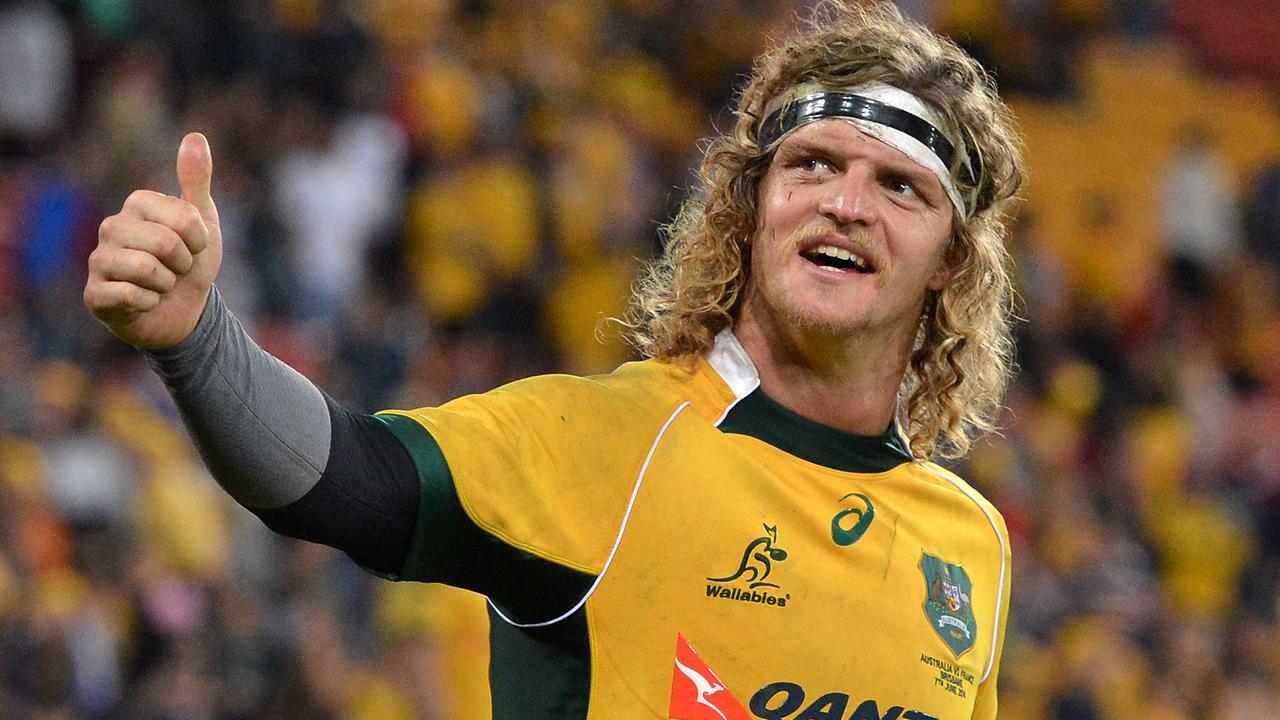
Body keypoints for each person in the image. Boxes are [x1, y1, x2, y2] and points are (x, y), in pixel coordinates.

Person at [83, 1, 1025, 718]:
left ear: (951, 258)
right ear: (751, 211)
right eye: (811, 165)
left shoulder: (970, 546)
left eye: (899, 185)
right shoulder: (615, 441)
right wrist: (195, 339)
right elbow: (344, 479)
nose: (845, 204)